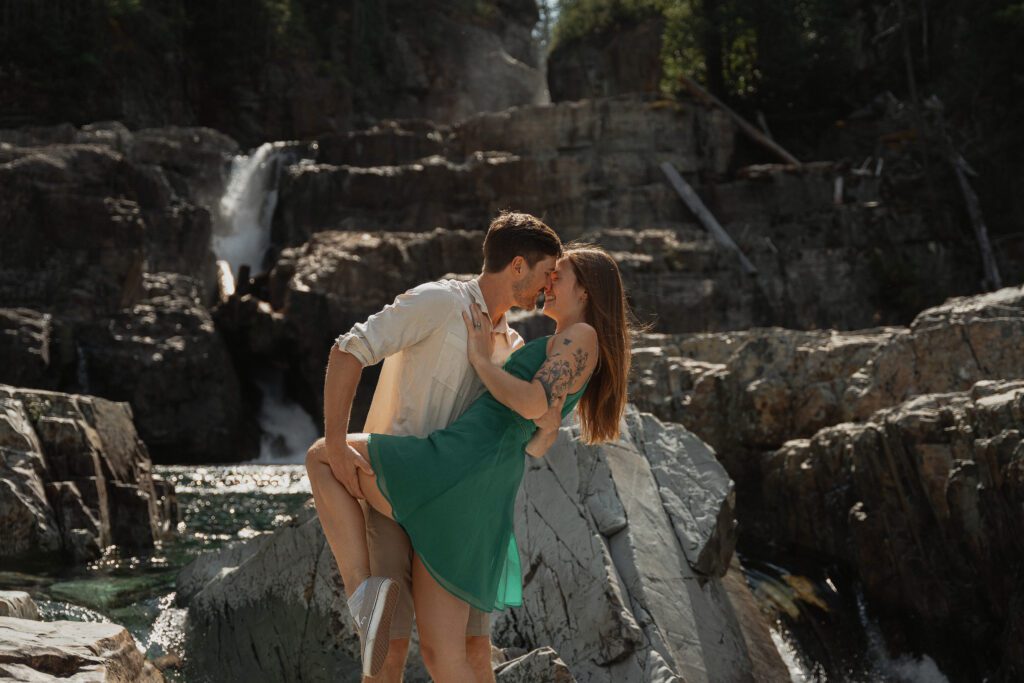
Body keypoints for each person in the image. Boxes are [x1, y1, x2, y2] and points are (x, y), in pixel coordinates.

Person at [311, 244, 632, 681]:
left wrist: (482, 360)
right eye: (550, 273)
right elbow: (536, 439)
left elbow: (532, 400)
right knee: (447, 657)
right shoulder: (553, 341)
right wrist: (547, 424)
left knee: (323, 457)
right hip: (480, 479)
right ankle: (368, 598)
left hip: (458, 464)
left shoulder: (582, 337)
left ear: (587, 292)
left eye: (561, 275)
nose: (550, 283)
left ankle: (363, 594)